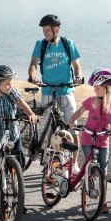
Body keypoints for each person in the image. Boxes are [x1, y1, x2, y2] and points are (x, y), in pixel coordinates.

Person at [28, 14, 83, 169]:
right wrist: (32, 75)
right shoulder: (41, 44)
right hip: (47, 90)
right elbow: (33, 63)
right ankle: (50, 157)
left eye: (48, 29)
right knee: (48, 126)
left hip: (65, 90)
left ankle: (74, 163)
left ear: (56, 29)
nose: (45, 32)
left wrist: (78, 76)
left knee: (72, 126)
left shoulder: (67, 44)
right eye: (43, 30)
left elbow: (77, 65)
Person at [68, 68, 111, 213]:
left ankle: (103, 200)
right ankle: (88, 185)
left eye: (98, 88)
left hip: (103, 140)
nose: (95, 91)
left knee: (103, 171)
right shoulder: (91, 101)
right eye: (94, 88)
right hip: (87, 138)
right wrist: (71, 121)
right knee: (91, 166)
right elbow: (79, 112)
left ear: (107, 88)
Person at [0, 65, 37, 170]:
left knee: (19, 163)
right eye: (7, 84)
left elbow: (21, 102)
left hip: (14, 134)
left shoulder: (12, 92)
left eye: (11, 83)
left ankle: (15, 181)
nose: (10, 86)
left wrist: (30, 113)